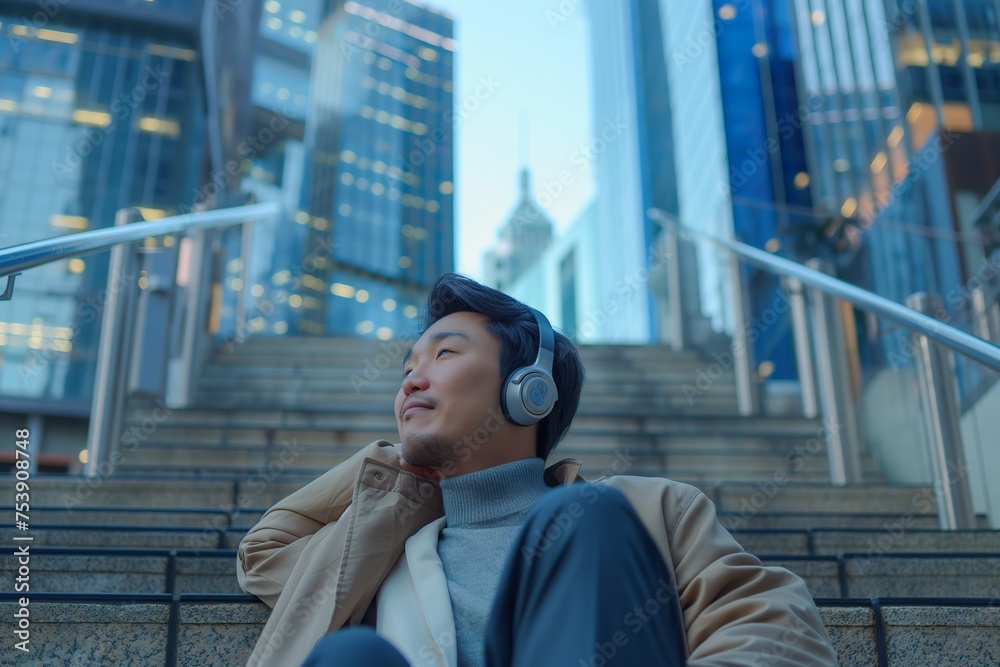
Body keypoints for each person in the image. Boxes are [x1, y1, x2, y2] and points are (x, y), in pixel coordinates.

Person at [237, 273, 838, 667]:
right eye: (407, 368)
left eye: (444, 354)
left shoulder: (648, 513)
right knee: (350, 659)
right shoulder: (378, 547)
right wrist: (394, 469)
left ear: (531, 390)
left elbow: (768, 624)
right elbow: (264, 553)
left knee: (583, 515)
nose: (412, 378)